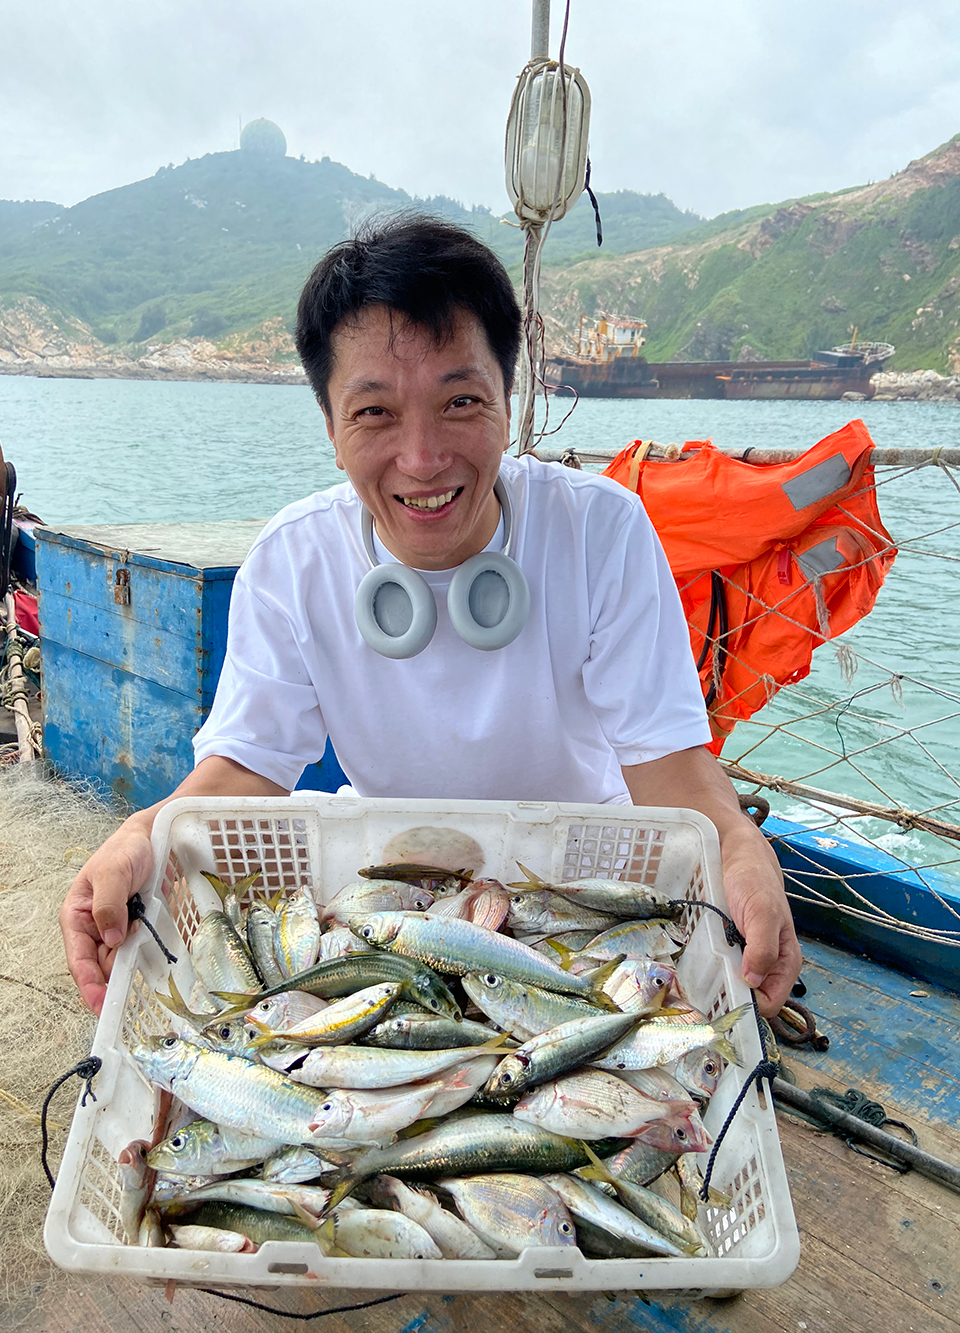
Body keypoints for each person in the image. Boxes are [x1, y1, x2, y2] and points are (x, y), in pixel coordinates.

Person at [60, 216, 801, 1020]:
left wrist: (737, 845)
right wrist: (143, 831)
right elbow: (245, 768)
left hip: (585, 895)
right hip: (392, 895)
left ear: (509, 405)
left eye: (460, 401)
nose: (422, 458)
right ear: (331, 429)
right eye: (375, 413)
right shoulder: (293, 561)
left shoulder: (601, 532)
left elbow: (671, 770)